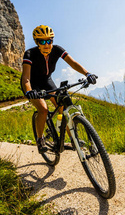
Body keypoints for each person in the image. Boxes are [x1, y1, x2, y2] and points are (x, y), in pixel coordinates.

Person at [21, 25, 96, 153]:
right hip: (33, 85)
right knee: (43, 110)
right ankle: (40, 139)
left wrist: (87, 74)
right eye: (42, 41)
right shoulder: (30, 54)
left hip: (47, 81)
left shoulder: (57, 50)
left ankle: (74, 138)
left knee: (64, 108)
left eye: (49, 40)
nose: (47, 44)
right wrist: (29, 91)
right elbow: (26, 78)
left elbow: (73, 63)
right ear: (37, 42)